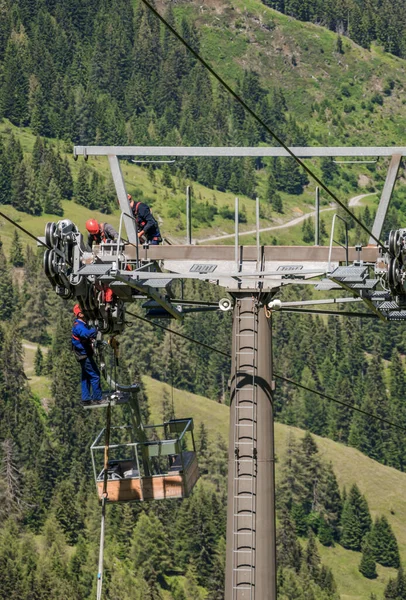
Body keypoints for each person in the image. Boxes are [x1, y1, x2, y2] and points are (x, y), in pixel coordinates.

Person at [71, 304, 103, 404]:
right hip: (84, 355)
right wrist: (96, 329)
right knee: (95, 375)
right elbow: (86, 334)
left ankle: (86, 399)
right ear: (80, 314)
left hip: (82, 355)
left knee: (86, 377)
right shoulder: (79, 326)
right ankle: (97, 399)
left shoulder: (80, 324)